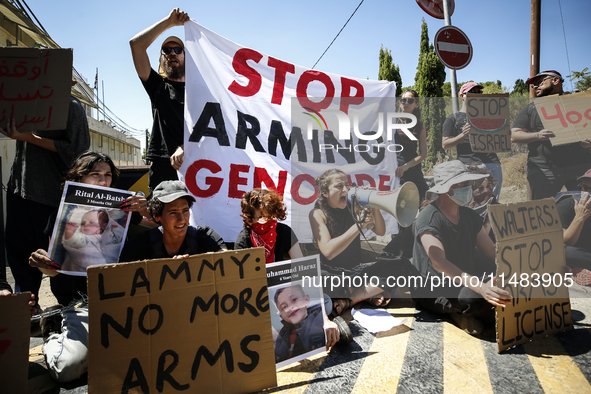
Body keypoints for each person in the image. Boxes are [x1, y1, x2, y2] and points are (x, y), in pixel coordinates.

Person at [27, 151, 149, 383]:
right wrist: (42, 264)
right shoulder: (60, 218)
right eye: (95, 175)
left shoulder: (124, 212)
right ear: (79, 179)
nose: (103, 181)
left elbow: (157, 230)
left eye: (107, 175)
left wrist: (144, 210)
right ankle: (52, 328)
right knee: (68, 368)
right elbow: (53, 268)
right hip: (81, 302)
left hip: (120, 299)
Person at [0, 95, 90, 313]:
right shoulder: (24, 103)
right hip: (19, 192)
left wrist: (29, 137)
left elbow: (78, 151)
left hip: (51, 198)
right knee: (20, 257)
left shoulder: (70, 105)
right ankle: (27, 309)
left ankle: (71, 310)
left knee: (57, 262)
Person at [412, 160, 511, 336]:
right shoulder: (428, 218)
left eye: (469, 183)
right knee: (473, 297)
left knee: (501, 286)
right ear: (446, 189)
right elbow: (439, 263)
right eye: (463, 184)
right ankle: (458, 314)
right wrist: (481, 287)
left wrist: (526, 267)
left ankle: (464, 315)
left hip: (465, 280)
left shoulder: (470, 216)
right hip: (435, 289)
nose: (469, 188)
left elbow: (493, 253)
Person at [309, 169, 415, 316]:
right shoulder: (317, 214)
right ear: (325, 192)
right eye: (339, 186)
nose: (345, 190)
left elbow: (380, 231)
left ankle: (350, 299)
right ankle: (367, 293)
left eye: (347, 185)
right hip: (331, 274)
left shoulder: (353, 206)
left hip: (355, 272)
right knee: (321, 284)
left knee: (401, 266)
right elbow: (328, 252)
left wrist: (374, 203)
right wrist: (359, 226)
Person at [130, 8, 190, 191]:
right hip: (163, 168)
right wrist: (169, 22)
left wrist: (186, 147)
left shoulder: (201, 91)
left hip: (197, 166)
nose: (172, 53)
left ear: (186, 56)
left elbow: (214, 130)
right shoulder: (158, 86)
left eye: (178, 49)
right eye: (167, 50)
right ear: (162, 58)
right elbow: (136, 45)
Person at [511, 70, 591, 200]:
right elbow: (514, 135)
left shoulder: (577, 103)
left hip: (579, 168)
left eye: (539, 82)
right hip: (545, 170)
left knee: (585, 208)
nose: (535, 86)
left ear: (555, 81)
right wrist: (538, 135)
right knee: (541, 212)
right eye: (533, 85)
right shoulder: (531, 108)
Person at [120, 180, 226, 262]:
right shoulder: (138, 245)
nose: (181, 219)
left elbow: (229, 262)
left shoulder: (207, 236)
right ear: (156, 216)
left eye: (185, 211)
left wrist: (195, 263)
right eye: (173, 213)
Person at [442, 82, 503, 200]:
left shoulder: (489, 115)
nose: (476, 94)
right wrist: (463, 135)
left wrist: (503, 134)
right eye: (472, 92)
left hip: (492, 164)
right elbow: (445, 144)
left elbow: (499, 140)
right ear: (462, 96)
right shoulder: (453, 118)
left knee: (492, 202)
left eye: (479, 92)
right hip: (468, 165)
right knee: (471, 202)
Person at [235, 188, 303, 263]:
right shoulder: (244, 240)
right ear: (249, 220)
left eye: (271, 216)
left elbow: (300, 263)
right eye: (262, 217)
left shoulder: (284, 231)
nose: (269, 221)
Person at [273, 284, 338, 363]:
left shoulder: (320, 319)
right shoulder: (282, 336)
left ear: (307, 300)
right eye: (284, 307)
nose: (290, 307)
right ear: (281, 316)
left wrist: (333, 327)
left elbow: (335, 330)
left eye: (294, 299)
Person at [558, 169, 591, 285]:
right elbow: (566, 241)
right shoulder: (566, 205)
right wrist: (580, 217)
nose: (587, 193)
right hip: (576, 253)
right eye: (584, 188)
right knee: (566, 253)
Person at [395, 89, 429, 200]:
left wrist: (406, 166)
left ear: (417, 104)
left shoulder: (420, 126)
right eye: (403, 100)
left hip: (412, 170)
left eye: (410, 100)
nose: (406, 103)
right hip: (394, 171)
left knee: (426, 201)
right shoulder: (392, 121)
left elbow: (423, 153)